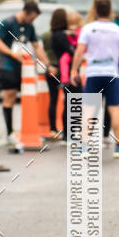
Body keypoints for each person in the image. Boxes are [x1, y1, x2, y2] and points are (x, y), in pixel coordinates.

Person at [70, 0, 119, 157]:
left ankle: (84, 146)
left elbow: (79, 52)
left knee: (88, 110)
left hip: (93, 73)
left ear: (95, 10)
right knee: (114, 109)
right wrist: (112, 51)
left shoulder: (88, 28)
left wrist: (73, 70)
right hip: (111, 74)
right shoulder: (118, 30)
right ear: (110, 10)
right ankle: (118, 147)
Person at [0, 1, 56, 148]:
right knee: (9, 95)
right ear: (25, 12)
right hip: (7, 65)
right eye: (32, 17)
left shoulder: (29, 27)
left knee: (25, 97)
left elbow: (37, 46)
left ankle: (23, 131)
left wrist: (47, 64)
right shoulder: (8, 23)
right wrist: (11, 53)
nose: (33, 21)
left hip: (22, 68)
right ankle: (9, 132)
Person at [49, 8, 78, 144]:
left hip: (61, 70)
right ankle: (68, 134)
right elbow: (70, 51)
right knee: (71, 101)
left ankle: (66, 133)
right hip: (66, 72)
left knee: (67, 101)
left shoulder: (54, 34)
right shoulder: (60, 35)